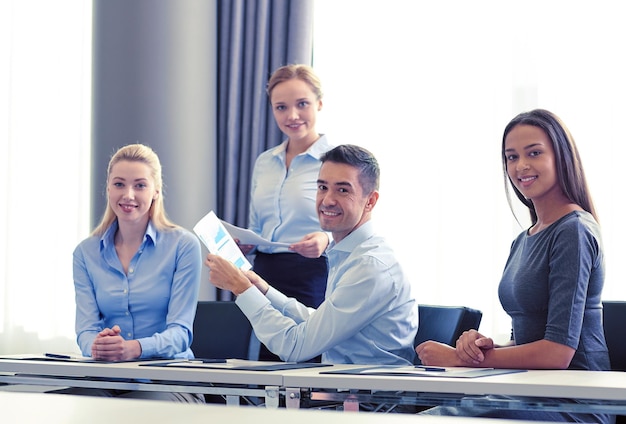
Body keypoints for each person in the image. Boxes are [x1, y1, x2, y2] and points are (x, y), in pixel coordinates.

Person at [416, 109, 611, 423]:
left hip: (574, 402)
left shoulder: (573, 230)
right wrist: (478, 348)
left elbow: (557, 353)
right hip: (530, 392)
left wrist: (463, 360)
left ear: (561, 157)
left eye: (534, 153)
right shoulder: (524, 239)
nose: (521, 166)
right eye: (511, 156)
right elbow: (524, 341)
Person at [205, 144, 418, 365]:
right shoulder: (350, 253)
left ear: (370, 201)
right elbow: (316, 323)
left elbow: (296, 347)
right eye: (322, 187)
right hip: (343, 391)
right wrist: (263, 289)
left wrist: (242, 289)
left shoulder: (370, 265)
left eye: (342, 190)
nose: (327, 200)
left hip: (366, 396)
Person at [70, 143, 203, 402]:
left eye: (140, 185)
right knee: (59, 406)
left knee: (135, 410)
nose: (128, 194)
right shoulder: (85, 253)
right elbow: (86, 330)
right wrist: (97, 346)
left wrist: (133, 349)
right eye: (119, 184)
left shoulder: (183, 245)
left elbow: (180, 334)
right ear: (108, 188)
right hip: (109, 379)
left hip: (171, 382)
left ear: (156, 191)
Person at [244, 64, 333, 310]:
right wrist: (245, 242)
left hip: (311, 276)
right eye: (281, 107)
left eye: (302, 104)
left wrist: (326, 240)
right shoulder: (264, 162)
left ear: (320, 104)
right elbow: (256, 226)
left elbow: (357, 227)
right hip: (261, 275)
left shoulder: (335, 162)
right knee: (253, 348)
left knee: (306, 346)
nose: (292, 115)